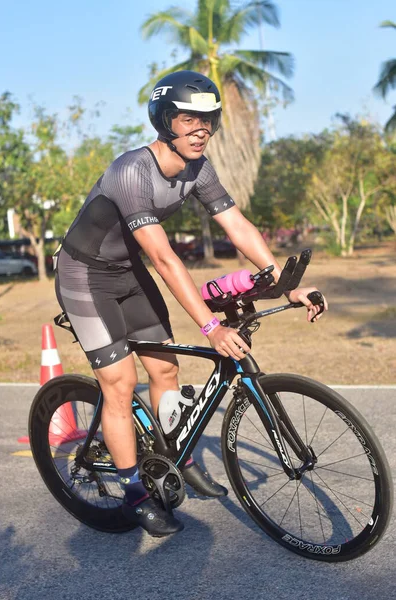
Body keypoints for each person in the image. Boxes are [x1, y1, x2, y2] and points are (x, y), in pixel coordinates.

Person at [54, 70, 328, 537]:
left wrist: (287, 284)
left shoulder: (199, 168)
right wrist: (210, 328)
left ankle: (170, 458)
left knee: (166, 370)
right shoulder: (131, 171)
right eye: (189, 120)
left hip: (127, 273)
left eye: (209, 120)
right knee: (122, 383)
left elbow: (237, 226)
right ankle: (135, 492)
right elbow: (163, 258)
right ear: (164, 121)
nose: (202, 130)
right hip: (85, 275)